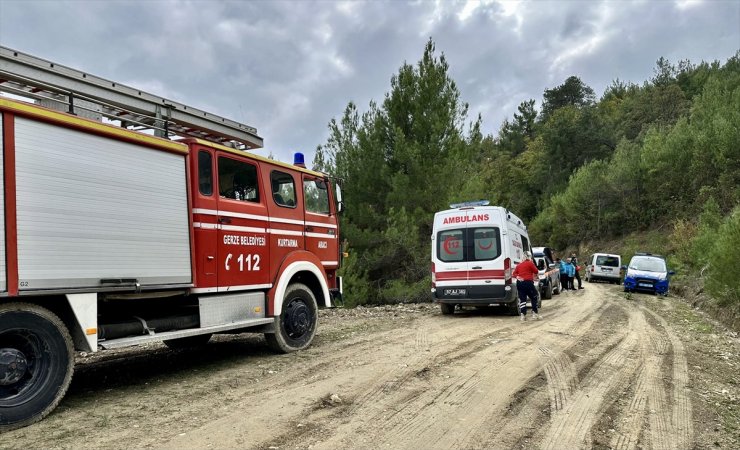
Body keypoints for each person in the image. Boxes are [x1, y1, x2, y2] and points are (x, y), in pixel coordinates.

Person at [512, 252, 541, 321]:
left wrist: (518, 277)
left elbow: (514, 273)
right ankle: (535, 313)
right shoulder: (530, 263)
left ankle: (523, 315)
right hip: (528, 282)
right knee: (534, 296)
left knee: (522, 299)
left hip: (520, 283)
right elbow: (536, 271)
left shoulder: (519, 265)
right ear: (529, 257)